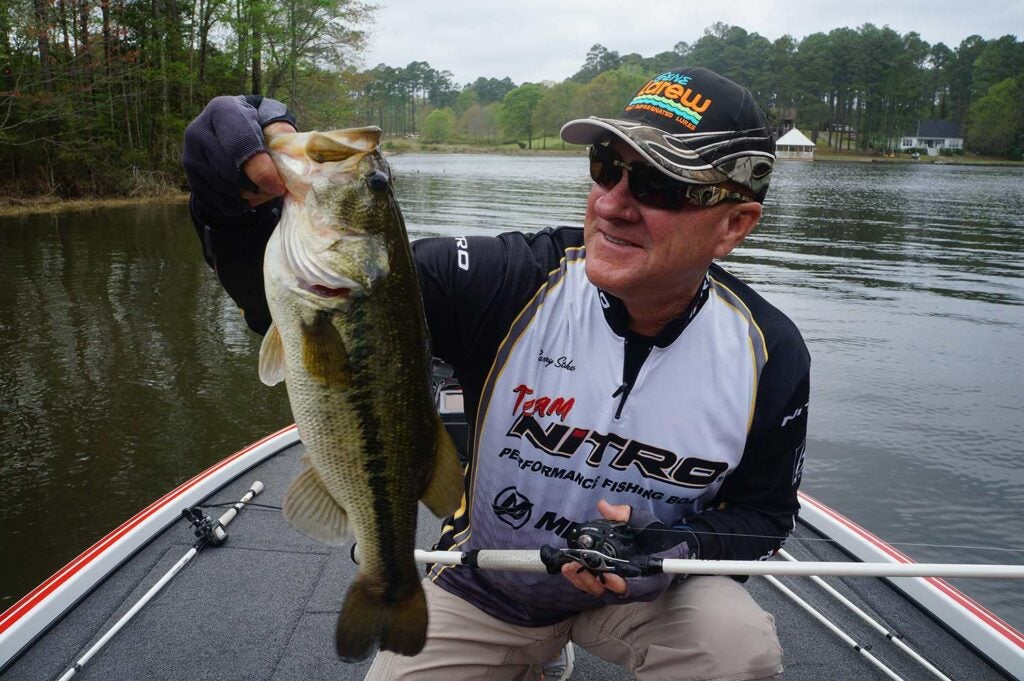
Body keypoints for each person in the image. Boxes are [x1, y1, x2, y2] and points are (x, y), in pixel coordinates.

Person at [183, 66, 810, 681]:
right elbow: (328, 308)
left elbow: (763, 516)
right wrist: (229, 208)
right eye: (606, 167)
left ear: (734, 224)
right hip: (488, 578)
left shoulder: (769, 352)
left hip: (640, 596)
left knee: (735, 648)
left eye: (660, 186)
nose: (613, 203)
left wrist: (666, 549)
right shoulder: (508, 279)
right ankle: (525, 652)